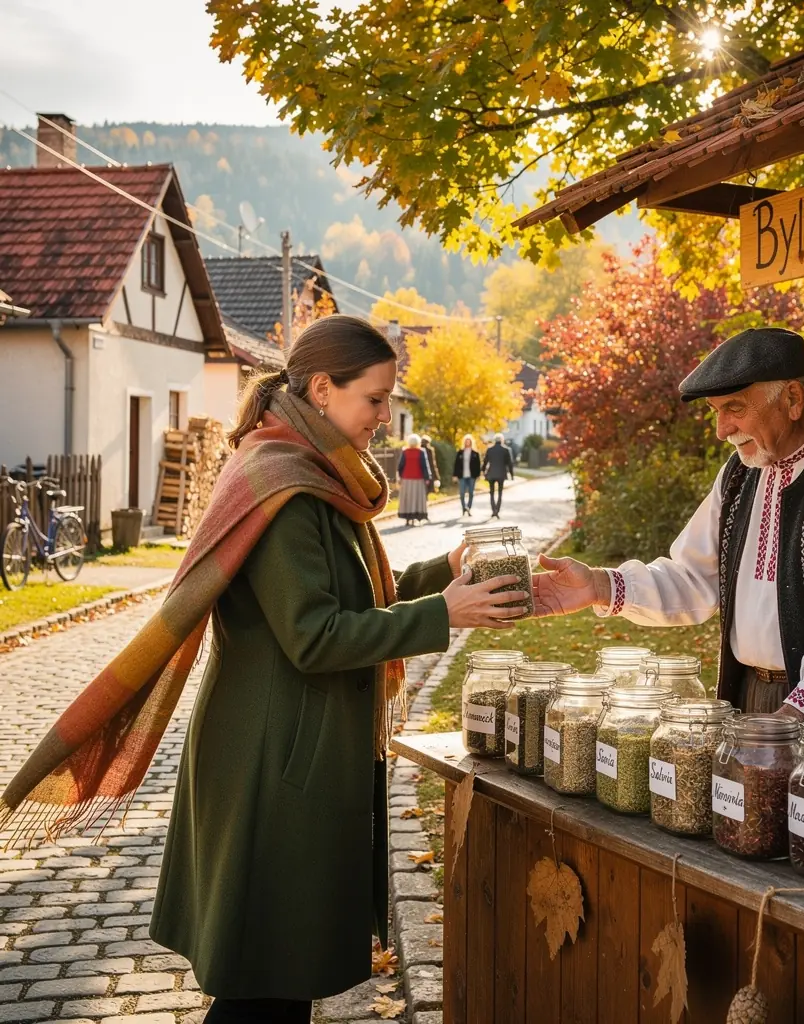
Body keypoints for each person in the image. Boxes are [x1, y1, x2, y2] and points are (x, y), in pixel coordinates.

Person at [0, 315, 528, 1024]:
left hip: (290, 757)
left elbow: (353, 596)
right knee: (263, 992)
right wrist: (444, 615)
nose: (384, 416)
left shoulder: (313, 472)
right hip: (273, 769)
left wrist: (446, 571)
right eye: (374, 399)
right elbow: (315, 635)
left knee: (276, 983)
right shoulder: (287, 487)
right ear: (323, 388)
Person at [533, 327, 804, 728]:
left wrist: (793, 716)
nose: (721, 430)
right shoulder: (742, 472)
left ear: (793, 398)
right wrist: (599, 586)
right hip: (751, 699)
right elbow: (694, 577)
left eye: (735, 408)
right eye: (717, 412)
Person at [397, 433, 431, 526]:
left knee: (407, 498)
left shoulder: (405, 451)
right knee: (417, 498)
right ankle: (416, 517)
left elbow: (400, 466)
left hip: (406, 479)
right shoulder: (421, 452)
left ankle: (408, 519)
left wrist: (400, 477)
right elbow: (425, 466)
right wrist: (427, 478)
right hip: (418, 479)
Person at [482, 432, 515, 519]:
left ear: (494, 440)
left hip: (491, 473)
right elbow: (509, 464)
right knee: (500, 493)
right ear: (502, 440)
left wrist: (483, 471)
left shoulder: (490, 450)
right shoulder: (506, 450)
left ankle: (493, 510)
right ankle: (497, 510)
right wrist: (512, 475)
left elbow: (485, 462)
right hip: (501, 474)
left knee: (492, 493)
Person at [452, 434, 481, 516]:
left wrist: (478, 475)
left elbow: (478, 465)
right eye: (466, 441)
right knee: (462, 493)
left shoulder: (475, 453)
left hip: (472, 476)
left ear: (471, 443)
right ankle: (464, 507)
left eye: (469, 441)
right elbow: (456, 464)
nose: (467, 443)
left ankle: (468, 507)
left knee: (471, 492)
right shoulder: (460, 452)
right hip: (462, 475)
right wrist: (454, 475)